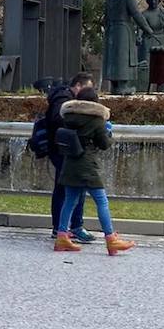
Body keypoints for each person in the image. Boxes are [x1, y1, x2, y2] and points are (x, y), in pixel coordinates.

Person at [54, 87, 134, 256]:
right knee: (101, 201)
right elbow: (104, 144)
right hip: (87, 166)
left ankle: (61, 236)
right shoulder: (97, 120)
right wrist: (109, 131)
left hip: (70, 164)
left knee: (70, 201)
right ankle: (111, 239)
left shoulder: (68, 117)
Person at [45, 72, 95, 245]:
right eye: (88, 88)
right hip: (62, 149)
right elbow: (58, 119)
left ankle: (66, 227)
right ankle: (67, 228)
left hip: (64, 148)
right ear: (79, 86)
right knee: (68, 188)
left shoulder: (63, 97)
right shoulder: (63, 99)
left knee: (70, 188)